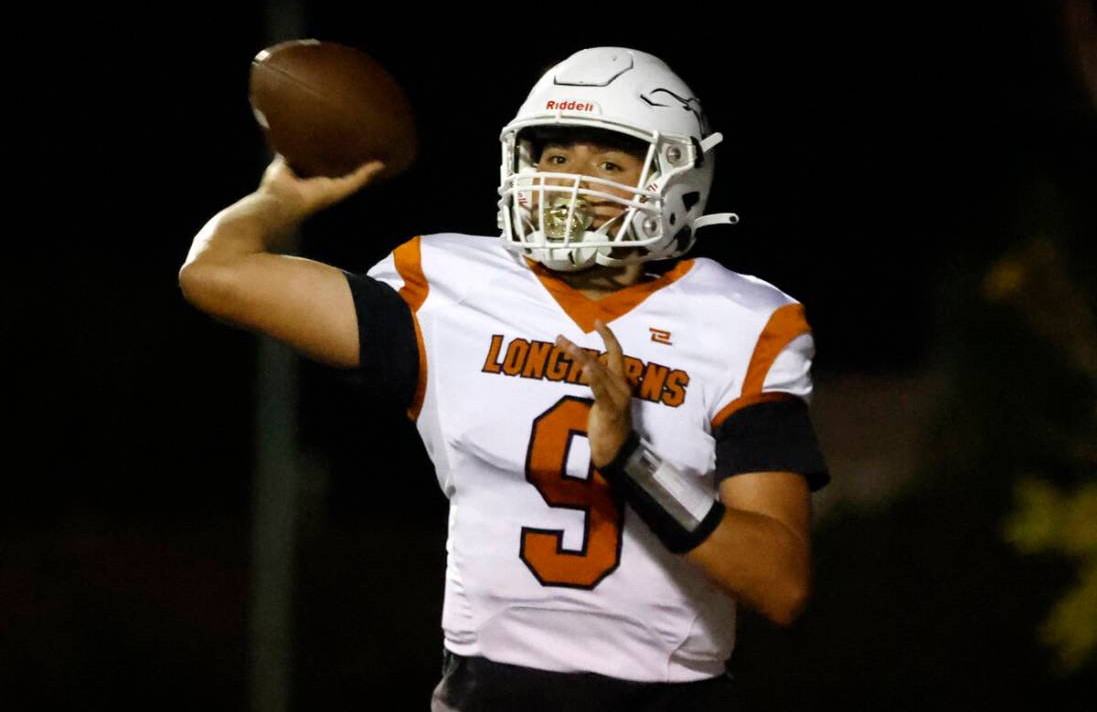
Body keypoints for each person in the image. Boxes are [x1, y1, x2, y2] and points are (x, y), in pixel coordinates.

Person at [179, 46, 830, 710]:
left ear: (673, 179)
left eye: (607, 161)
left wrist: (632, 461)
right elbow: (216, 273)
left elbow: (779, 584)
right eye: (553, 157)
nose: (569, 182)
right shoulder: (450, 288)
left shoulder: (740, 322)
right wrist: (277, 197)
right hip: (487, 690)